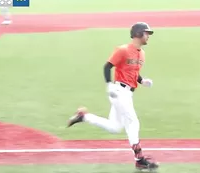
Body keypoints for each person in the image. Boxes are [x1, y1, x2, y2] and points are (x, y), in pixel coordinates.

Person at [67, 22, 159, 171]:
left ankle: (84, 117)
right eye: (146, 33)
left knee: (115, 127)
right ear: (137, 34)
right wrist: (109, 84)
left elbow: (133, 72)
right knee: (133, 122)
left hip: (128, 93)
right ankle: (139, 159)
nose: (148, 36)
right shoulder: (122, 50)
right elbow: (107, 66)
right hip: (118, 91)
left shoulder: (141, 53)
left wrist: (142, 81)